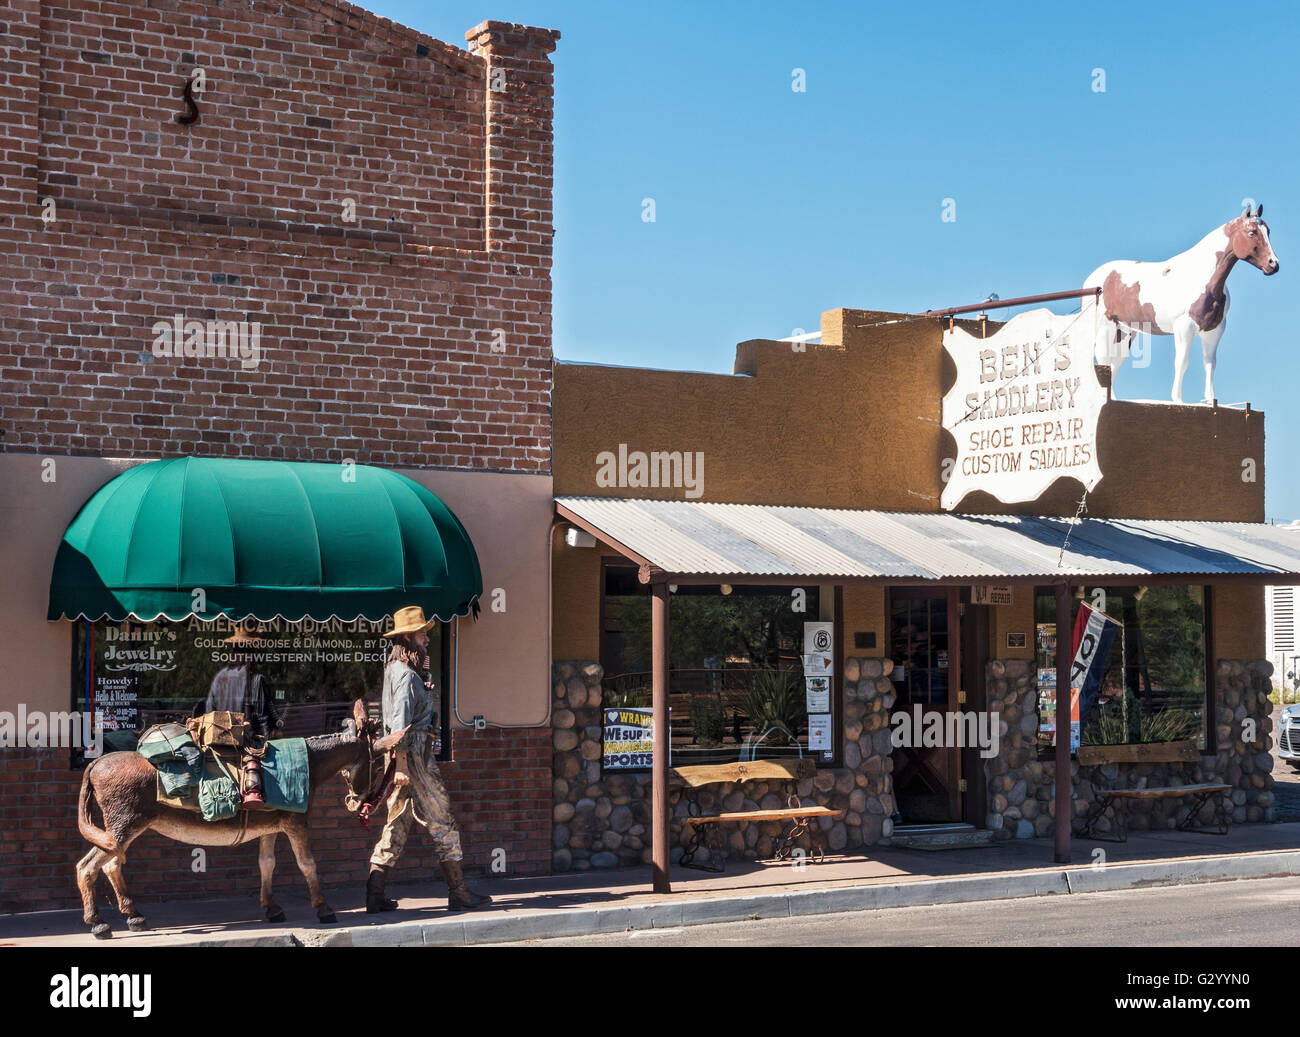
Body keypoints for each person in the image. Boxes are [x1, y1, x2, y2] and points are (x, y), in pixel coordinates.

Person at [365, 605, 490, 913]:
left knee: (396, 825)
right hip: (415, 757)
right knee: (443, 820)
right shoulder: (407, 676)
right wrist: (405, 767)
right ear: (407, 638)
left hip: (402, 760)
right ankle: (458, 892)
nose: (425, 639)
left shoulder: (396, 671)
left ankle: (374, 894)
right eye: (421, 634)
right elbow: (400, 727)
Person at [206, 623, 283, 739]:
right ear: (252, 650)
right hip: (248, 746)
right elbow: (264, 720)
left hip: (223, 744)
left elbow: (209, 712)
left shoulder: (219, 678)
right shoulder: (256, 680)